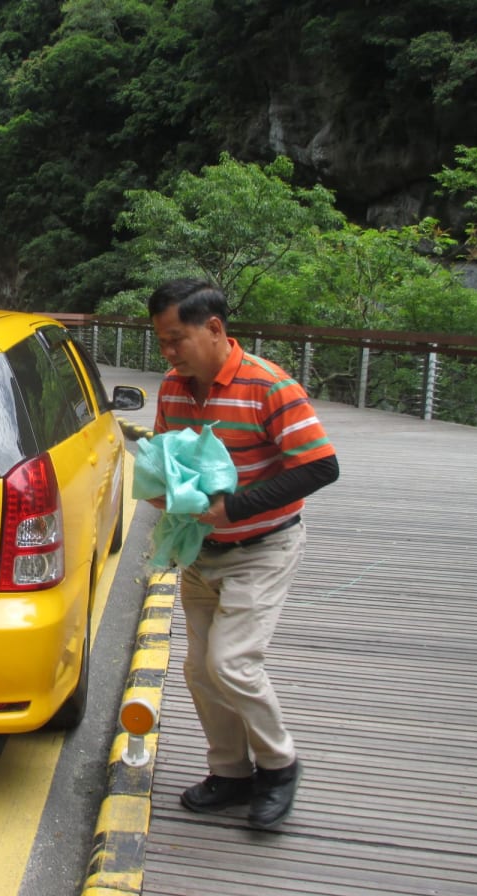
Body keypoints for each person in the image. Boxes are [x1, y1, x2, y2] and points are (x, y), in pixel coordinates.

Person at [146, 278, 339, 829]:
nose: (168, 353)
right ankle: (231, 772)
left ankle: (280, 765)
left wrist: (238, 507)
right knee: (200, 670)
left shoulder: (269, 386)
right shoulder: (174, 387)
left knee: (231, 662)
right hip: (201, 548)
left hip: (262, 547)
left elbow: (321, 465)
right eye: (161, 341)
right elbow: (165, 455)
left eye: (175, 339)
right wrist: (162, 490)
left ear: (214, 328)